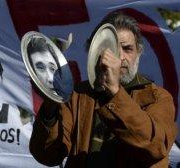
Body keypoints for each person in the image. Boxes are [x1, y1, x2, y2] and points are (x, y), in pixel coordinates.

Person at [29, 12, 178, 168]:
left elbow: (155, 147)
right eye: (110, 49)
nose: (119, 58)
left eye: (127, 49)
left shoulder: (157, 97)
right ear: (95, 52)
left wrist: (114, 91)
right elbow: (47, 155)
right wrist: (50, 108)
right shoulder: (78, 94)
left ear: (138, 53)